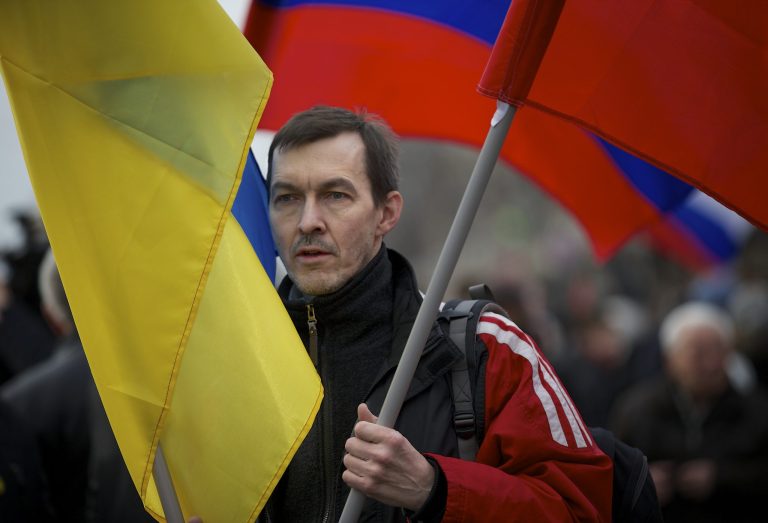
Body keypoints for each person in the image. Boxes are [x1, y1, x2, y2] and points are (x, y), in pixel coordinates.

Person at [260, 105, 612, 522]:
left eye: (336, 195)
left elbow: (582, 509)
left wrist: (435, 488)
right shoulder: (231, 361)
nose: (308, 221)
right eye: (287, 198)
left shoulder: (485, 345)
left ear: (386, 213)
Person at [610, 301, 768, 522]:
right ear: (670, 360)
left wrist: (721, 479)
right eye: (698, 353)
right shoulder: (637, 410)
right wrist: (642, 483)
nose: (711, 363)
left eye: (719, 350)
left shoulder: (757, 410)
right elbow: (610, 477)